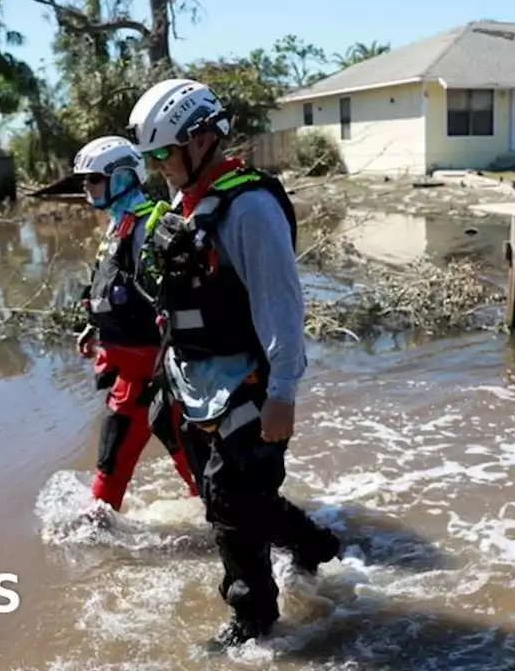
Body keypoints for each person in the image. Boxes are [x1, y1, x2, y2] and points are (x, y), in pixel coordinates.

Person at [125, 78, 341, 649]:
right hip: (197, 386)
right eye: (148, 156)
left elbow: (281, 305)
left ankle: (255, 625)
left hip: (249, 387)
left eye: (161, 153)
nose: (156, 166)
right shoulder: (183, 203)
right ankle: (315, 545)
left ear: (200, 140)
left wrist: (284, 393)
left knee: (231, 511)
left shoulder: (248, 208)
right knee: (236, 499)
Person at [72, 135, 198, 517]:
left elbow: (180, 301)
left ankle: (240, 535)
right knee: (113, 469)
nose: (86, 187)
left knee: (197, 470)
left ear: (123, 177)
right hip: (129, 375)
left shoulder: (149, 228)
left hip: (159, 378)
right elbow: (116, 289)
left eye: (93, 179)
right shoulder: (118, 226)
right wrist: (94, 327)